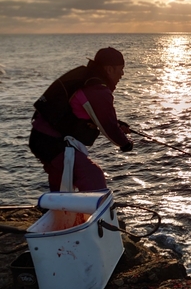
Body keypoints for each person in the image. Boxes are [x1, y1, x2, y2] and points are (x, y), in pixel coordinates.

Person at [29, 47, 133, 192]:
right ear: (109, 69)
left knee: (62, 179)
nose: (122, 74)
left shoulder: (86, 79)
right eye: (120, 69)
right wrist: (125, 144)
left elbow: (94, 115)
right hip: (53, 143)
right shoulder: (97, 89)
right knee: (92, 176)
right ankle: (97, 212)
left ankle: (57, 210)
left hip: (40, 139)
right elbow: (108, 127)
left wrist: (118, 124)